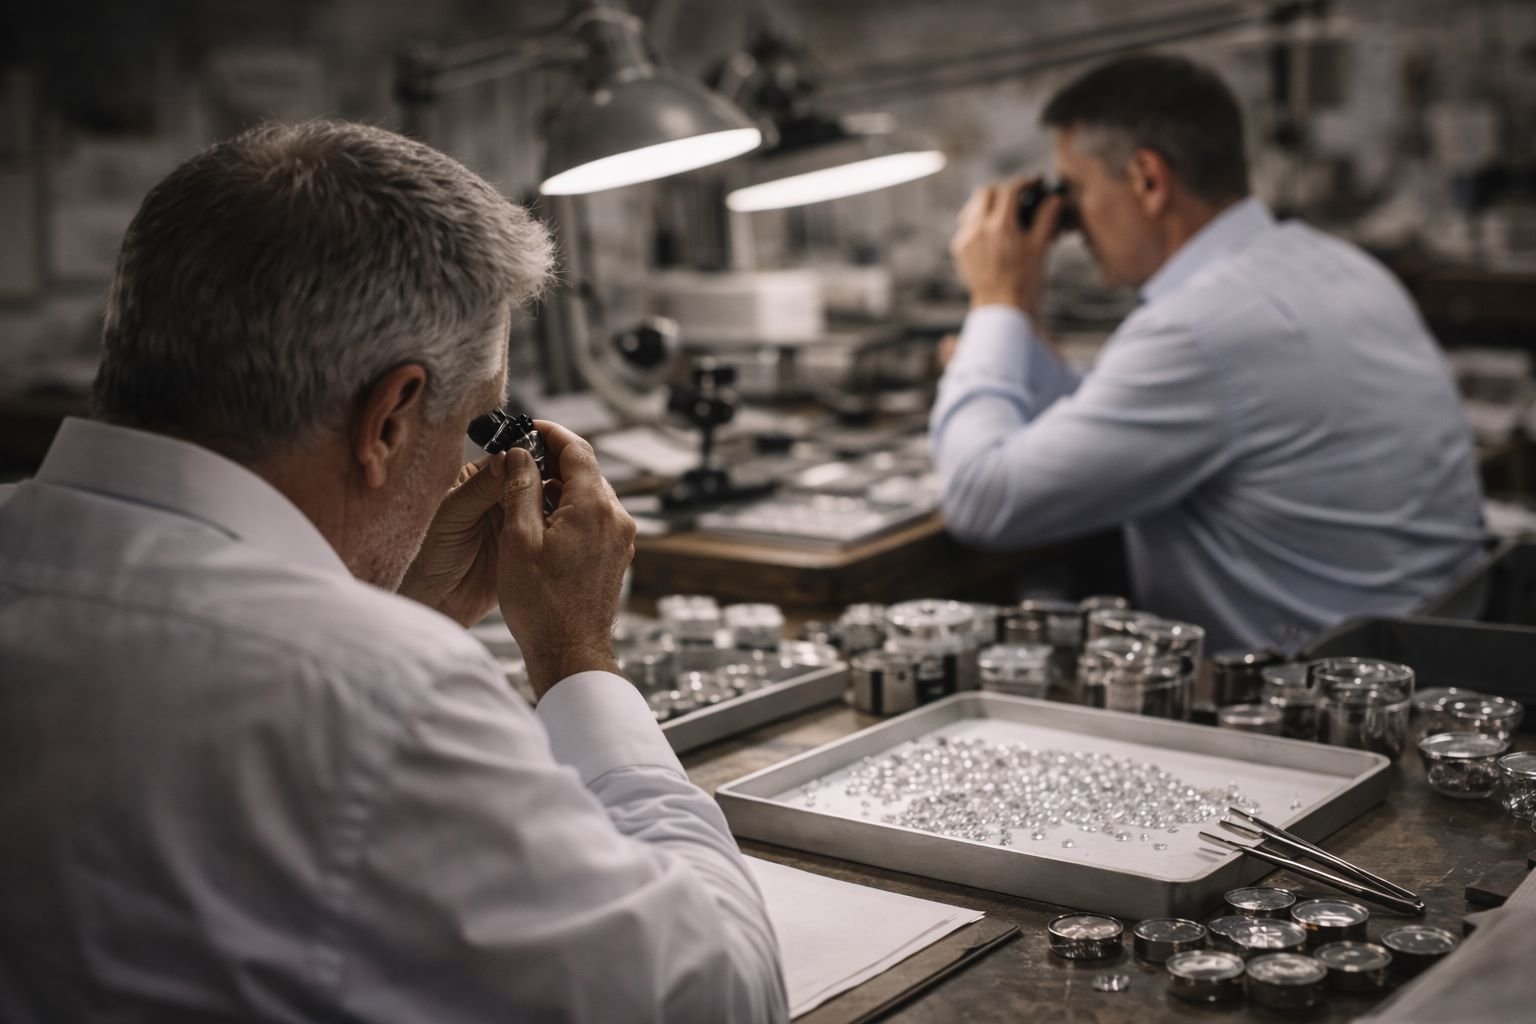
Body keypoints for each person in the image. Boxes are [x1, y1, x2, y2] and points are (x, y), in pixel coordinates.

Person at [0, 121, 786, 1023]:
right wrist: (576, 655)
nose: (473, 453)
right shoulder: (379, 701)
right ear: (389, 420)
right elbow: (718, 996)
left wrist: (381, 606)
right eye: (477, 421)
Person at [932, 54, 1485, 651]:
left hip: (1309, 696)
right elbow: (1112, 427)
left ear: (1148, 180)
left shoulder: (1199, 329)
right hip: (1427, 657)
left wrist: (996, 301)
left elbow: (983, 501)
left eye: (1076, 191)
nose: (1072, 224)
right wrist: (1018, 323)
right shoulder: (1336, 264)